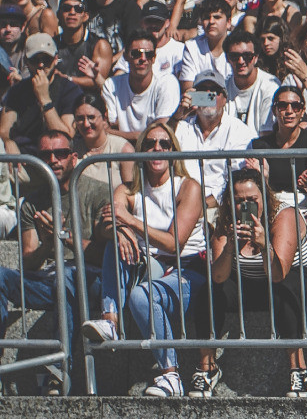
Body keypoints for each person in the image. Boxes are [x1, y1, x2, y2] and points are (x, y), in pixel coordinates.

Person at [81, 122, 207, 397]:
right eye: (149, 144)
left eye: (164, 144)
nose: (157, 149)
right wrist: (118, 230)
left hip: (186, 269)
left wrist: (128, 221)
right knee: (114, 244)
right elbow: (105, 225)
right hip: (149, 264)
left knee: (141, 296)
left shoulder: (188, 187)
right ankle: (110, 320)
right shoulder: (128, 189)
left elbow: (174, 243)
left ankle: (170, 376)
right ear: (140, 150)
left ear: (174, 150)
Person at [199, 166, 307, 398]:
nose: (246, 206)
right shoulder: (226, 222)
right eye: (239, 201)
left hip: (298, 278)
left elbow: (279, 273)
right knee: (208, 290)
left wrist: (262, 243)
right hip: (254, 281)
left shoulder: (283, 216)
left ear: (264, 197)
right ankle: (207, 368)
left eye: (252, 200)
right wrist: (229, 247)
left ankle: (299, 370)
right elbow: (218, 276)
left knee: (284, 287)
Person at [0, 130, 112, 393]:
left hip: (92, 280)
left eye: (60, 153)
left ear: (73, 157)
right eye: (46, 155)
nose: (53, 160)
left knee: (68, 275)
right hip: (50, 279)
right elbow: (28, 263)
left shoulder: (99, 192)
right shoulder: (32, 202)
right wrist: (48, 245)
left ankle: (59, 370)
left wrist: (64, 237)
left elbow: (103, 255)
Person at [167, 70, 253, 208]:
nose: (208, 95)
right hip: (180, 203)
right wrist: (177, 115)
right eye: (202, 91)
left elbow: (237, 178)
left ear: (225, 99)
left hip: (221, 206)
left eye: (214, 91)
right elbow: (161, 142)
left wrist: (204, 205)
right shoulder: (181, 126)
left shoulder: (239, 131)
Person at [1, 35, 80, 155]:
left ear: (55, 59)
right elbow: (4, 129)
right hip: (23, 156)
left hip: (56, 155)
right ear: (26, 62)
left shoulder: (70, 90)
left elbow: (66, 136)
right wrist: (8, 141)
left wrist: (44, 99)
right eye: (35, 60)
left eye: (46, 59)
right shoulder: (17, 91)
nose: (41, 65)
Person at [102, 29, 179, 141]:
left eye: (148, 54)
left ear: (154, 58)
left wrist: (112, 133)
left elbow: (159, 133)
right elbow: (111, 125)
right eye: (136, 54)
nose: (143, 59)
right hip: (121, 148)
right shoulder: (111, 85)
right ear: (126, 57)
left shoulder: (167, 83)